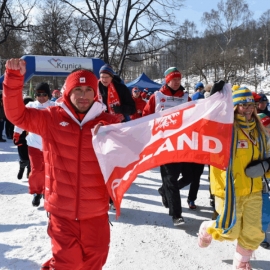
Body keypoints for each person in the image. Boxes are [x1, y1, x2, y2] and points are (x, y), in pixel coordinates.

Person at [3, 58, 120, 270]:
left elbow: (138, 142)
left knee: (96, 260)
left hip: (95, 212)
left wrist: (108, 130)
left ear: (96, 94)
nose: (83, 95)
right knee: (68, 263)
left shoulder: (109, 123)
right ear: (67, 92)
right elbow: (16, 115)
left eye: (88, 90)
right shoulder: (51, 118)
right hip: (62, 212)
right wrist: (13, 79)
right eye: (78, 89)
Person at [198, 85, 269, 269]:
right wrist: (213, 102)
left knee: (254, 232)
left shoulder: (259, 131)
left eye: (250, 105)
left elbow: (266, 156)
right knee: (229, 230)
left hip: (254, 189)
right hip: (229, 190)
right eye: (243, 105)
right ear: (235, 106)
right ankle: (207, 227)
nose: (248, 108)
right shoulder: (224, 128)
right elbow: (204, 131)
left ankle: (241, 264)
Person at [143, 67, 193, 226]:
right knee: (170, 178)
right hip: (164, 144)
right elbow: (145, 117)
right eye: (174, 79)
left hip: (183, 142)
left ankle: (164, 190)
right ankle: (176, 214)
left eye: (179, 79)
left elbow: (195, 116)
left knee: (190, 175)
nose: (177, 82)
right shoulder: (157, 97)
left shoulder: (186, 98)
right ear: (167, 80)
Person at [99, 63, 136, 209]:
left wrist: (120, 108)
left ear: (112, 77)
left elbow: (132, 108)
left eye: (106, 77)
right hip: (101, 127)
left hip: (119, 127)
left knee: (114, 163)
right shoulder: (96, 87)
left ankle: (113, 195)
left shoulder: (120, 88)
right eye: (101, 77)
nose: (104, 80)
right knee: (103, 163)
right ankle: (105, 195)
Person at [13, 82, 55, 207]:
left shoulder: (55, 106)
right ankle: (37, 192)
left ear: (49, 95)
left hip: (51, 144)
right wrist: (17, 133)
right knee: (36, 170)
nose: (41, 97)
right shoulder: (30, 106)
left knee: (50, 170)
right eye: (38, 94)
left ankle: (48, 191)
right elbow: (22, 119)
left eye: (44, 94)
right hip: (34, 144)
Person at [13, 96, 33, 179]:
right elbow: (15, 128)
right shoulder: (19, 115)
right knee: (24, 158)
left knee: (32, 159)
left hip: (32, 140)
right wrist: (16, 138)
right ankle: (21, 168)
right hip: (22, 140)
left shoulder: (34, 115)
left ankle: (29, 171)